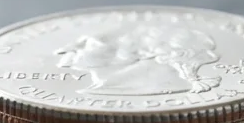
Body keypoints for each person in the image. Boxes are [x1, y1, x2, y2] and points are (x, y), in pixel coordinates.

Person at [54, 25, 221, 95]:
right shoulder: (98, 89)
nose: (68, 48)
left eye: (92, 44)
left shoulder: (126, 91)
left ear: (145, 52)